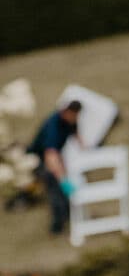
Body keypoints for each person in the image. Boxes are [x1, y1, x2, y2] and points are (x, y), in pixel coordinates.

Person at [27, 99, 83, 236]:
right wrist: (63, 180)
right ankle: (56, 227)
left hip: (55, 156)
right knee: (55, 190)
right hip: (39, 159)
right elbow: (50, 156)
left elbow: (78, 137)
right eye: (74, 116)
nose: (75, 119)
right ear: (67, 112)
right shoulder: (54, 126)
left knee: (61, 189)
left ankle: (70, 217)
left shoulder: (71, 121)